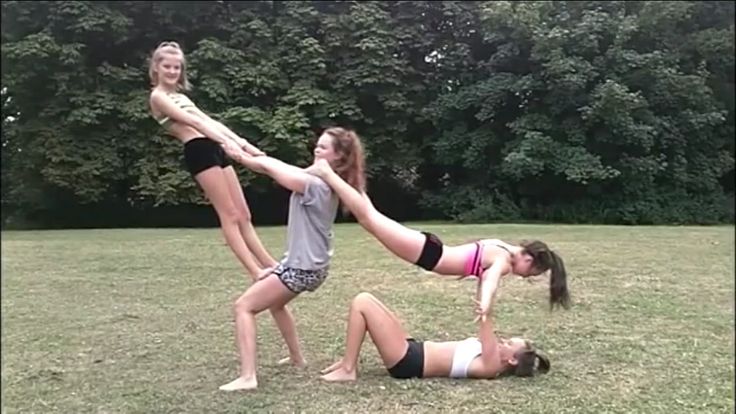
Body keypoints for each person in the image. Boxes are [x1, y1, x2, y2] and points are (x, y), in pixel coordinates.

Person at [147, 41, 304, 367]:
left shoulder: (182, 95)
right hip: (200, 151)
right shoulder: (158, 97)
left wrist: (243, 144)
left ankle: (269, 263)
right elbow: (199, 127)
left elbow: (211, 121)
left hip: (215, 147)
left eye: (177, 67)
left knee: (245, 213)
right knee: (229, 215)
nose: (173, 71)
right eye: (168, 66)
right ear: (156, 68)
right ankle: (255, 270)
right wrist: (230, 146)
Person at [306, 159, 571, 318]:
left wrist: (482, 308)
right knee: (368, 218)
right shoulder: (503, 259)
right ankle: (329, 174)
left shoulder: (502, 247)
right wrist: (487, 304)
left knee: (371, 217)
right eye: (532, 270)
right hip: (429, 253)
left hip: (430, 249)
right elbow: (490, 281)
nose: (527, 275)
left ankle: (344, 175)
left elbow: (483, 280)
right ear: (526, 256)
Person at [218, 127, 366, 391]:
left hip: (301, 269)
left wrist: (239, 157)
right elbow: (277, 164)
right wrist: (249, 148)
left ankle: (248, 377)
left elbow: (271, 170)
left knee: (244, 307)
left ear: (338, 158)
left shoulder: (316, 185)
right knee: (276, 305)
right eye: (317, 145)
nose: (316, 150)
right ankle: (297, 358)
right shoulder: (323, 181)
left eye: (322, 148)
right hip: (311, 268)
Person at [319, 292, 550, 382]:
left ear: (512, 360)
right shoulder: (492, 358)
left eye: (510, 344)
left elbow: (485, 320)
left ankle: (348, 369)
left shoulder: (491, 365)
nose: (504, 340)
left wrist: (488, 285)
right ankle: (348, 360)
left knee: (362, 302)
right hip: (413, 349)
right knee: (372, 301)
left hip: (408, 361)